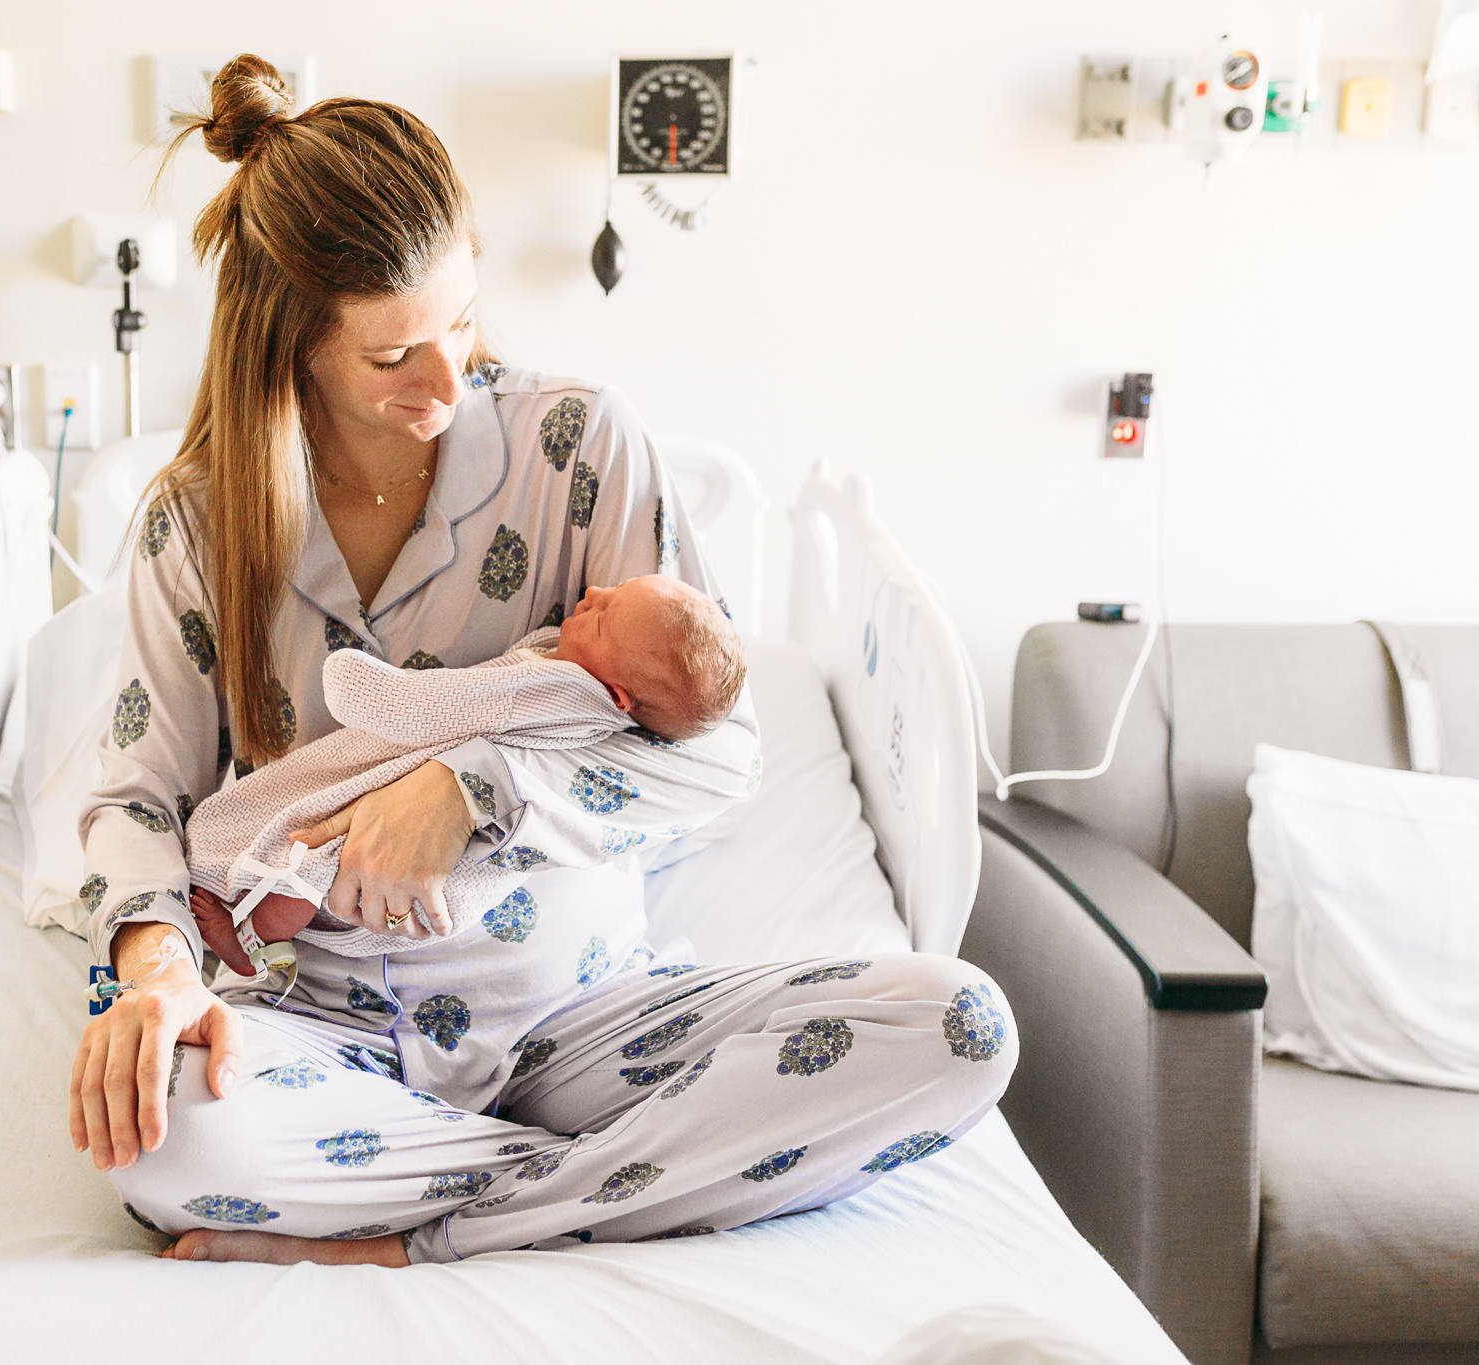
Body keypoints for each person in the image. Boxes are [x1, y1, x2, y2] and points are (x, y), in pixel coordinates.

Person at [68, 54, 1017, 1268]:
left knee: (957, 1028)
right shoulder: (196, 524)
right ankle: (619, 1186)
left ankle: (418, 1233)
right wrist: (159, 976)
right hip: (317, 1022)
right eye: (392, 356)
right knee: (158, 1144)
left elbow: (715, 757)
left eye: (461, 322)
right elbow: (135, 798)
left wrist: (471, 792)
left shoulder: (577, 447)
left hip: (582, 1017)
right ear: (290, 345)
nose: (447, 380)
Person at [175, 575, 749, 976]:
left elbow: (463, 702)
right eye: (610, 594)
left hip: (449, 846)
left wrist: (380, 694)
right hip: (428, 810)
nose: (591, 594)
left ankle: (253, 944)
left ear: (618, 696)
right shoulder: (582, 670)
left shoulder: (566, 692)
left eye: (601, 618)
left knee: (313, 862)